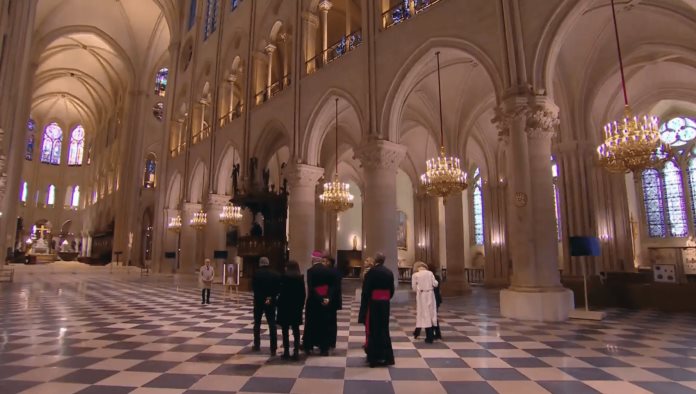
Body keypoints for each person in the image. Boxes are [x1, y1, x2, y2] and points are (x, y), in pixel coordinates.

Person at [358, 252, 395, 368]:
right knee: (384, 329)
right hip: (385, 304)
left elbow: (366, 291)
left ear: (375, 260)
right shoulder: (389, 272)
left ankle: (373, 359)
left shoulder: (371, 273)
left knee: (373, 330)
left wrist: (364, 307)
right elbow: (391, 290)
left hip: (373, 304)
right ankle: (387, 357)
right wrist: (385, 298)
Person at [303, 250, 336, 356]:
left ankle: (309, 346)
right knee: (324, 325)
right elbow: (332, 286)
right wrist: (327, 298)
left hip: (313, 301)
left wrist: (319, 299)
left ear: (313, 259)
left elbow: (311, 288)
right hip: (325, 301)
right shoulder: (328, 270)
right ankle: (324, 349)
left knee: (311, 324)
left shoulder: (310, 271)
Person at [252, 256, 281, 356]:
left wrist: (261, 298)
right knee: (272, 324)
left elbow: (254, 288)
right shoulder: (275, 274)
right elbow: (278, 289)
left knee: (257, 323)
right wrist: (269, 298)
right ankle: (273, 348)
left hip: (258, 301)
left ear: (260, 263)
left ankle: (257, 344)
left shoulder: (256, 273)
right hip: (271, 301)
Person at [277, 260, 306, 360]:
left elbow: (280, 292)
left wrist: (278, 304)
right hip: (296, 307)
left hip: (284, 307)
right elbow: (303, 294)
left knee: (285, 330)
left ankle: (286, 352)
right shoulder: (300, 278)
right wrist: (301, 306)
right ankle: (296, 351)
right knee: (296, 330)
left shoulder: (284, 278)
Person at [411, 261, 439, 343]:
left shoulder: (415, 275)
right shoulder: (430, 273)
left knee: (423, 314)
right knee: (431, 314)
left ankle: (428, 336)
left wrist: (419, 288)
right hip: (430, 294)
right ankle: (429, 334)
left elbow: (414, 288)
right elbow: (435, 284)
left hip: (421, 295)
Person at [323, 254, 342, 349]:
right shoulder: (337, 271)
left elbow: (332, 287)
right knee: (332, 321)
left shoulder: (329, 272)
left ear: (329, 262)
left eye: (325, 261)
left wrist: (328, 297)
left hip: (329, 299)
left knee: (328, 321)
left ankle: (328, 341)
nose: (324, 263)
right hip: (335, 299)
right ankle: (332, 342)